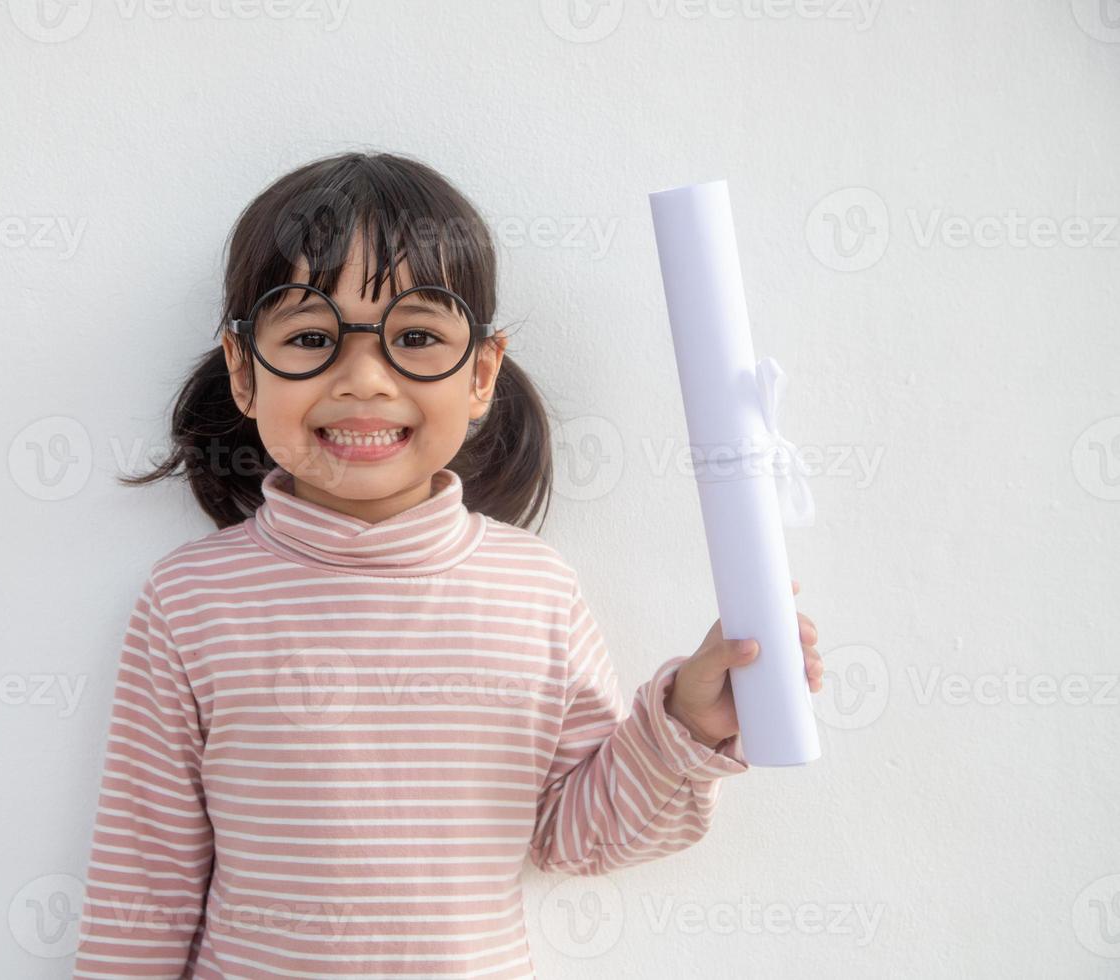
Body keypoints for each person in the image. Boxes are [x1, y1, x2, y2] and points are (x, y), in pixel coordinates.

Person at [70, 151, 823, 979]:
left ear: (482, 373)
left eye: (418, 337)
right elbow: (145, 885)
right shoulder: (189, 602)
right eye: (312, 337)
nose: (364, 380)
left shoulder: (535, 591)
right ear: (245, 370)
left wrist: (686, 721)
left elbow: (577, 837)